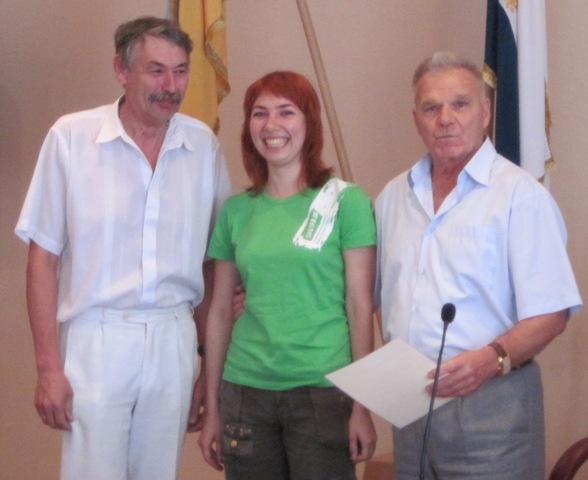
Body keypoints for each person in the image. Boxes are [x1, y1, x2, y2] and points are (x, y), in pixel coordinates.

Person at [15, 16, 231, 480]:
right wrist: (48, 367)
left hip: (173, 339)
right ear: (121, 70)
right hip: (98, 338)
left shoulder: (203, 146)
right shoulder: (71, 138)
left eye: (180, 71)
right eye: (156, 70)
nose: (171, 86)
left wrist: (205, 368)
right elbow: (43, 260)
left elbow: (213, 264)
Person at [374, 51, 582, 479]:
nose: (445, 119)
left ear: (485, 113)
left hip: (493, 405)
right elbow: (370, 295)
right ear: (416, 119)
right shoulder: (392, 198)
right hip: (410, 406)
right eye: (431, 108)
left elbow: (553, 312)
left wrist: (491, 359)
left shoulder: (520, 196)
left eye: (460, 104)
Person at [198, 70, 377, 479]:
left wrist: (362, 406)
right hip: (245, 393)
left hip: (323, 393)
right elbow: (220, 311)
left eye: (286, 111)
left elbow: (359, 305)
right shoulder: (236, 211)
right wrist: (213, 408)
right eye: (259, 113)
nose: (271, 125)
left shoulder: (346, 202)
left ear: (309, 123)